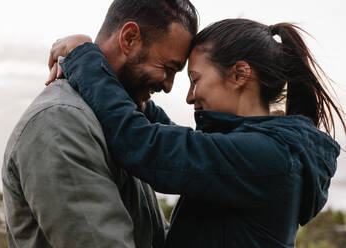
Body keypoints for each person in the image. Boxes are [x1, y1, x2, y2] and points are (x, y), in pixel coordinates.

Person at [48, 19, 345, 247]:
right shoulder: (266, 151)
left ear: (240, 74)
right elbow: (177, 142)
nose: (189, 96)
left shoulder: (268, 158)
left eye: (195, 79)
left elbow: (145, 145)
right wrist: (136, 92)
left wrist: (83, 57)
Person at [1, 0, 198, 247]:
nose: (169, 86)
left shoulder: (121, 119)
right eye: (168, 68)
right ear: (129, 38)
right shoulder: (60, 124)